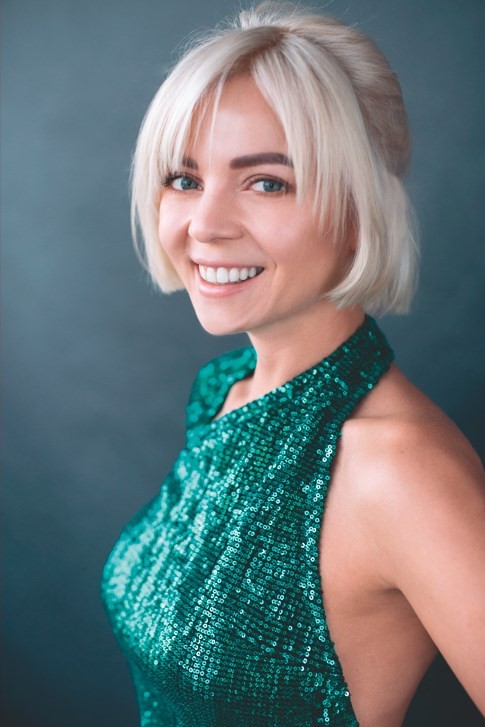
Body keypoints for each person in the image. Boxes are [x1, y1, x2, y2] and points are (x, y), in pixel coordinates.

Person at [100, 2, 485, 725]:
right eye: (184, 178)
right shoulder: (224, 391)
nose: (205, 224)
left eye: (267, 182)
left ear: (359, 212)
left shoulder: (398, 470)